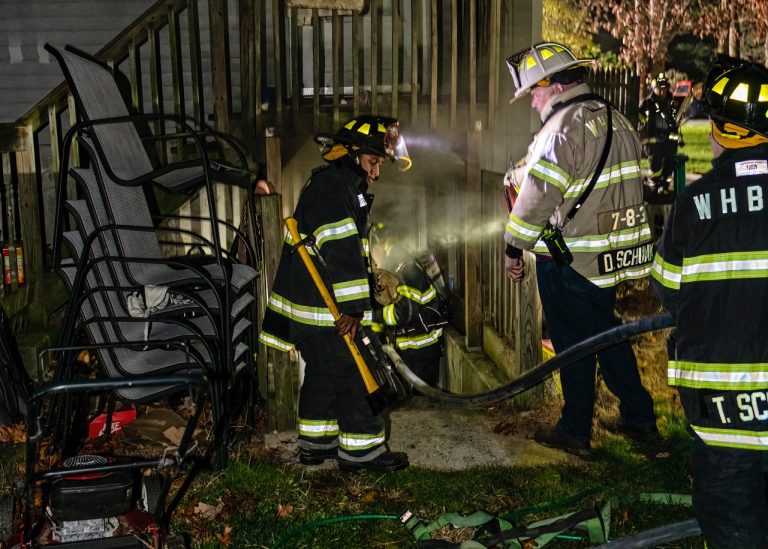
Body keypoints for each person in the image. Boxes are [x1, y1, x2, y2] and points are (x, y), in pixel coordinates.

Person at [503, 42, 657, 457]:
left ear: (553, 85)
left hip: (570, 260)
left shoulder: (561, 128)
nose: (532, 101)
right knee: (606, 333)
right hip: (610, 259)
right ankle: (640, 417)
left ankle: (574, 430)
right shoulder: (616, 119)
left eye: (534, 91)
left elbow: (535, 199)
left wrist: (513, 248)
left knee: (573, 344)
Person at [650, 60, 768, 549]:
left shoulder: (693, 205)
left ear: (721, 132)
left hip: (723, 414)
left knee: (732, 528)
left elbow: (666, 287)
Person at [258, 115, 412, 472]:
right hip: (330, 314)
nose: (376, 173)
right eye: (373, 162)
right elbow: (340, 253)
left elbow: (340, 253)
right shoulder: (334, 190)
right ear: (352, 155)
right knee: (354, 374)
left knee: (323, 375)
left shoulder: (336, 186)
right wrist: (355, 310)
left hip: (315, 311)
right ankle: (363, 452)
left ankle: (316, 443)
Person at [370, 235, 449, 389]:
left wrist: (376, 317)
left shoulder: (405, 271)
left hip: (419, 352)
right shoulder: (400, 268)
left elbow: (404, 312)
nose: (374, 263)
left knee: (421, 403)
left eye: (374, 255)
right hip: (416, 352)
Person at [638, 72, 681, 200]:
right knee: (655, 161)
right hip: (652, 142)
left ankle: (665, 186)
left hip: (668, 141)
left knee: (671, 161)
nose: (662, 91)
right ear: (653, 88)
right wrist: (648, 135)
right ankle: (653, 185)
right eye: (659, 88)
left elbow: (675, 122)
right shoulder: (646, 104)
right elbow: (641, 124)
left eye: (664, 88)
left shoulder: (671, 103)